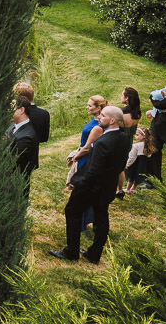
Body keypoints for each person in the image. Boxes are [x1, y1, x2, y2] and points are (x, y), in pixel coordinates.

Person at [49, 105, 129, 265]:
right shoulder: (124, 138)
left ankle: (71, 251)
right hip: (108, 186)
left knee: (72, 210)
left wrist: (79, 184)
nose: (99, 117)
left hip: (92, 187)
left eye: (103, 115)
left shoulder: (102, 143)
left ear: (112, 120)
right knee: (101, 216)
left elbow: (93, 171)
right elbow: (122, 164)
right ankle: (94, 254)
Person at [67, 95, 107, 231]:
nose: (87, 107)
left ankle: (82, 221)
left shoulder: (98, 127)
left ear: (99, 108)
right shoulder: (96, 120)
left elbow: (88, 147)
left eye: (90, 105)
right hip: (84, 152)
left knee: (81, 189)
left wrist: (75, 157)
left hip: (87, 157)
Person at [5, 96, 39, 199]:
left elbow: (12, 163)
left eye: (12, 107)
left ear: (21, 110)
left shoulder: (26, 137)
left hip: (14, 189)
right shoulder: (12, 125)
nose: (8, 110)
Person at [116, 87, 141, 198]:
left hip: (119, 140)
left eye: (122, 95)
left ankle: (112, 189)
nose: (121, 96)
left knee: (112, 165)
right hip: (129, 141)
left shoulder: (122, 112)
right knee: (120, 167)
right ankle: (119, 189)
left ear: (127, 98)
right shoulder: (137, 112)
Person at [123, 128, 156, 194]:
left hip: (135, 163)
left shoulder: (136, 146)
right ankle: (133, 188)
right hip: (143, 164)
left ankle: (127, 189)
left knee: (131, 177)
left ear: (144, 136)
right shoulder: (148, 145)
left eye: (137, 135)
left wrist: (128, 164)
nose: (135, 136)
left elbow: (132, 157)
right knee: (138, 176)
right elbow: (149, 155)